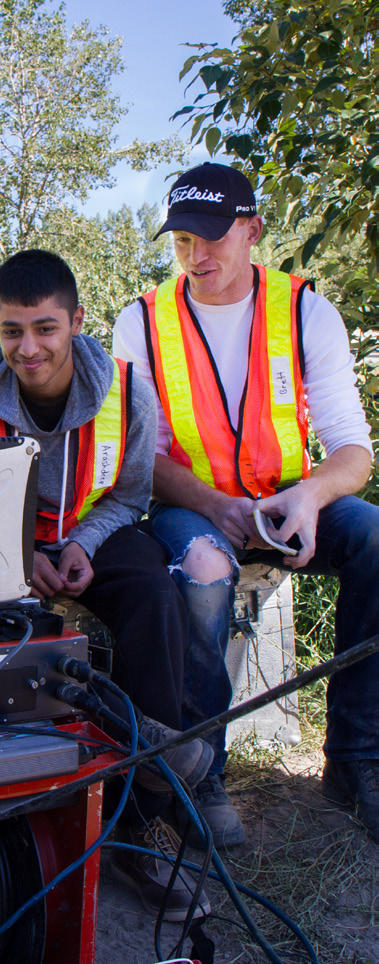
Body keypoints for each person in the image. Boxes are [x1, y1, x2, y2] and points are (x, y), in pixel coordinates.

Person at [0, 248, 212, 919]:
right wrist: (18, 552)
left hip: (95, 533)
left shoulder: (125, 388)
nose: (28, 349)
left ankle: (144, 813)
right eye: (11, 331)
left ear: (76, 321)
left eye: (45, 329)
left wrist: (81, 544)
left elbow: (131, 496)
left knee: (152, 596)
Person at [113, 162, 379, 846]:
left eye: (210, 238)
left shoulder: (305, 310)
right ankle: (202, 774)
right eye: (181, 241)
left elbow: (353, 450)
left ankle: (354, 757)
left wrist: (310, 496)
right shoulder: (141, 321)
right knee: (203, 570)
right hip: (189, 506)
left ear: (251, 230)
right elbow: (141, 460)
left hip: (289, 501)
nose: (195, 256)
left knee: (375, 539)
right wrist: (219, 507)